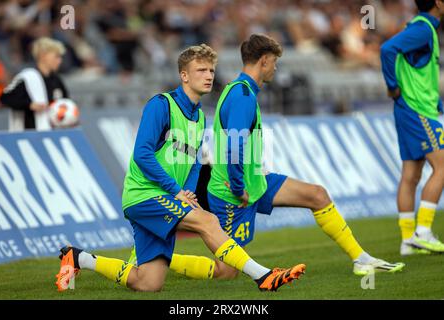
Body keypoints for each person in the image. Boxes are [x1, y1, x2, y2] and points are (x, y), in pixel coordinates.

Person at [56, 44, 306, 292]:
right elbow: (142, 154)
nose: (208, 76)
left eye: (211, 70)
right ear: (184, 75)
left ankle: (78, 258)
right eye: (200, 70)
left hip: (166, 196)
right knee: (208, 221)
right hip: (143, 196)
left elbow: (194, 162)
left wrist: (187, 193)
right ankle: (262, 276)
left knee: (148, 283)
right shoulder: (161, 105)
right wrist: (175, 190)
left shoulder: (199, 118)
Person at [203, 33, 405, 279]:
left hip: (255, 181)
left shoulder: (240, 90)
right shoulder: (242, 96)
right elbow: (234, 147)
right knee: (226, 273)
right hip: (232, 194)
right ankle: (161, 264)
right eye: (274, 62)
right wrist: (237, 188)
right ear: (264, 60)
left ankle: (361, 259)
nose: (276, 68)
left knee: (317, 195)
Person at [380, 0, 444, 255]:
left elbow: (417, 70)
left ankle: (408, 240)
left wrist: (436, 99)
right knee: (442, 165)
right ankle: (423, 232)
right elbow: (387, 49)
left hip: (412, 108)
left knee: (411, 175)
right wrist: (392, 85)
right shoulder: (424, 28)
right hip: (416, 110)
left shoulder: (424, 28)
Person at [0, 37, 69, 130]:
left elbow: (66, 102)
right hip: (28, 133)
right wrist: (29, 104)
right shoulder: (27, 78)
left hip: (52, 132)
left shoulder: (56, 80)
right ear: (43, 56)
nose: (60, 61)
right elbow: (5, 98)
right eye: (56, 56)